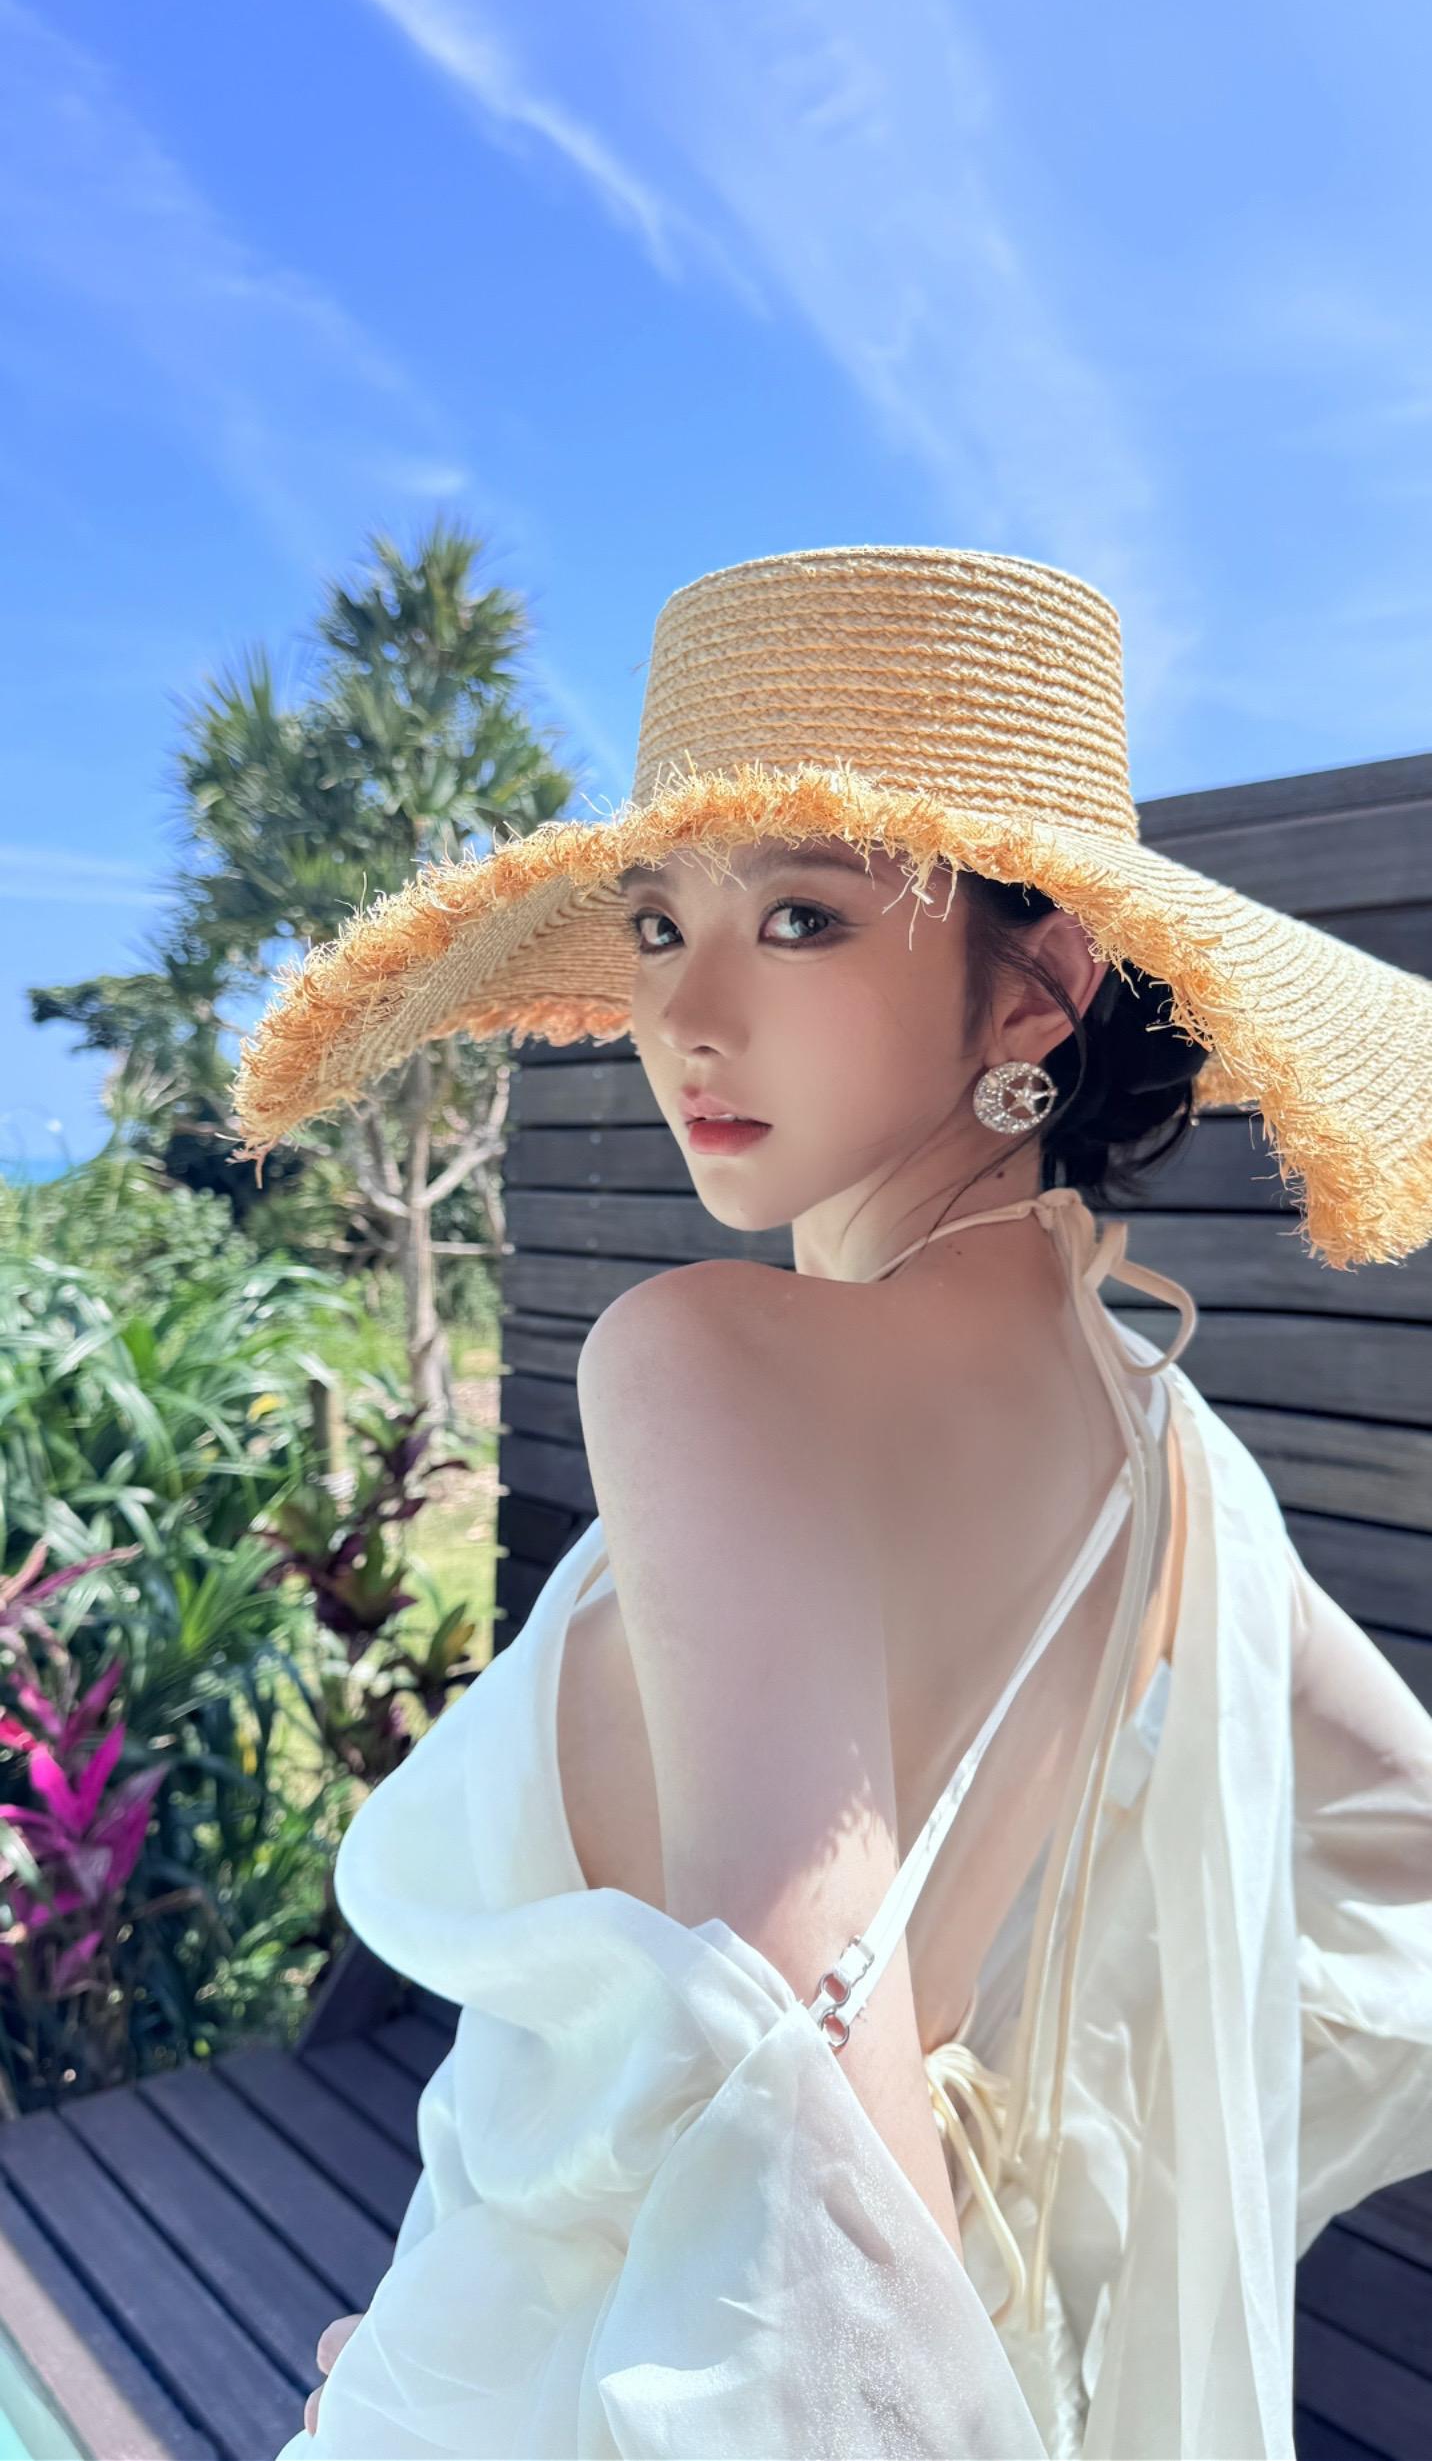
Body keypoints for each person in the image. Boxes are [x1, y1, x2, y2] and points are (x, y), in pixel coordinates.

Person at [235, 546, 1432, 2459]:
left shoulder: (708, 1368)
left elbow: (810, 2162)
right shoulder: (1170, 1451)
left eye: (800, 916)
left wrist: (474, 2383)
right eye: (656, 922)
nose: (687, 1014)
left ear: (1038, 986)